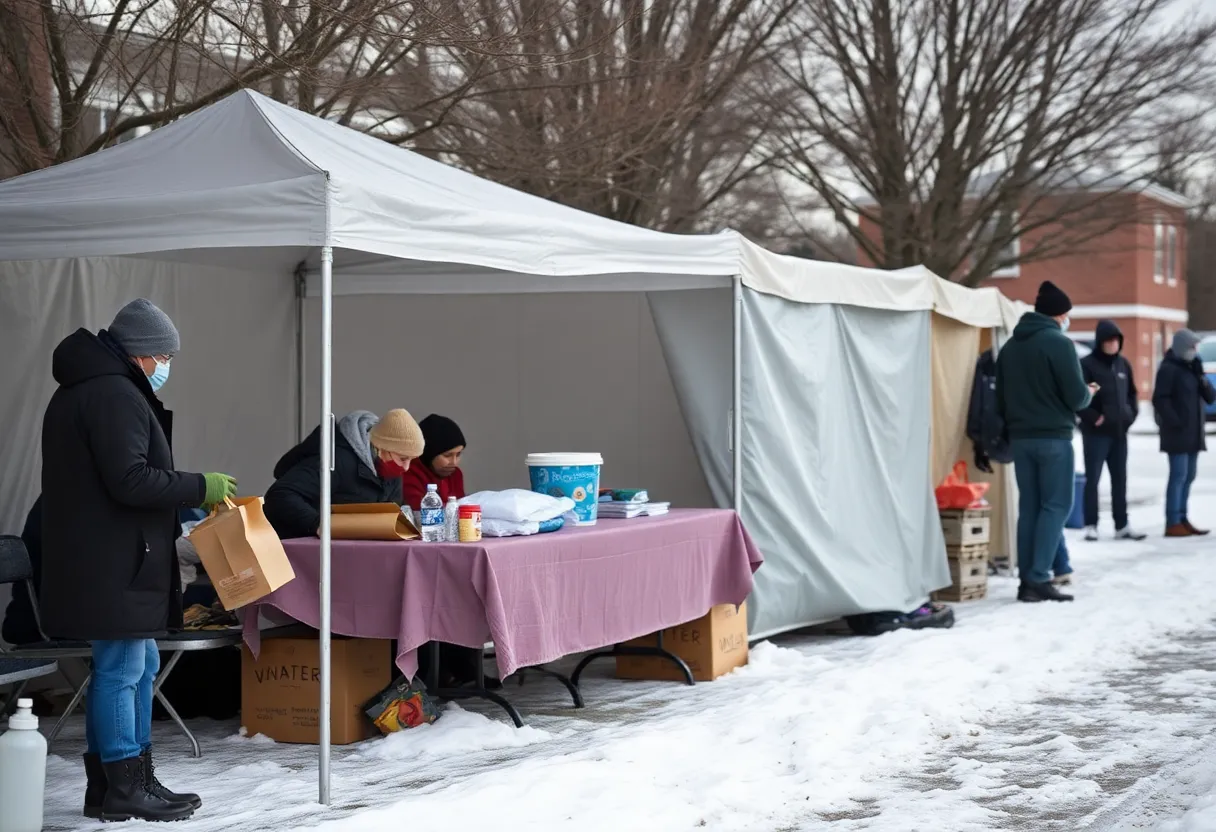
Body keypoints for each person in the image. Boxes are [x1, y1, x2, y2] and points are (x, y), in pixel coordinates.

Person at [40, 299, 238, 822]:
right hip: (112, 560)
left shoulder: (87, 387)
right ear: (144, 354)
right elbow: (129, 479)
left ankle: (116, 785)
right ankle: (126, 783)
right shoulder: (113, 394)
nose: (167, 365)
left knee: (139, 662)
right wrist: (200, 485)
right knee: (124, 666)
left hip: (104, 555)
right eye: (165, 355)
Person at [996, 281, 1094, 603]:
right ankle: (1038, 578)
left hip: (1021, 439)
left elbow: (1001, 398)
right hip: (1053, 438)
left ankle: (1027, 579)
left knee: (1030, 508)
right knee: (1056, 506)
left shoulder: (1010, 347)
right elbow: (1077, 398)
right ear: (1059, 314)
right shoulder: (1059, 344)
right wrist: (1089, 392)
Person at [263, 409, 424, 539]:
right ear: (380, 447)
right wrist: (318, 524)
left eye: (412, 460)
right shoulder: (337, 460)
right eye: (403, 458)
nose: (406, 467)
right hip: (301, 550)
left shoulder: (391, 471)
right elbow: (280, 495)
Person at [1078, 320, 1145, 542]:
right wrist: (1094, 418)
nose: (1112, 345)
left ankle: (1121, 525)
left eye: (1116, 340)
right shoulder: (1088, 365)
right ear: (1100, 342)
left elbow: (1132, 395)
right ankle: (1091, 524)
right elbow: (1080, 398)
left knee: (1120, 479)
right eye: (1108, 341)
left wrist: (1130, 415)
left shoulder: (1122, 365)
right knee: (1093, 479)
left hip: (1119, 433)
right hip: (1095, 434)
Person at [1152, 329, 1216, 537]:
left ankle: (1182, 517)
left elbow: (1210, 398)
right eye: (1192, 347)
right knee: (1178, 476)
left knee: (1189, 476)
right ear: (1182, 347)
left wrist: (1201, 376)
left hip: (1194, 432)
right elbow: (1160, 399)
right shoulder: (1169, 369)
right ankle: (1172, 521)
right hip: (1177, 433)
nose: (1195, 351)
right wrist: (1175, 422)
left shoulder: (1192, 368)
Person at [400, 414, 468, 510]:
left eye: (458, 455)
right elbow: (420, 513)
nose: (454, 462)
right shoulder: (408, 473)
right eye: (447, 455)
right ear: (429, 454)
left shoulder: (455, 474)